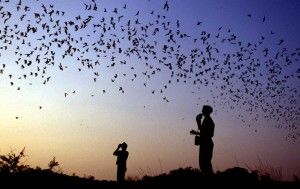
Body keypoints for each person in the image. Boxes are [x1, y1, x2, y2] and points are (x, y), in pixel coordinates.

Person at [190, 105, 215, 175]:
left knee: (205, 165)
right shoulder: (206, 120)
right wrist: (198, 122)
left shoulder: (209, 121)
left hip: (207, 144)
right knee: (204, 164)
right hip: (205, 144)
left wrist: (197, 122)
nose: (202, 111)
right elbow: (203, 131)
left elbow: (210, 134)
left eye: (203, 110)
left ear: (207, 111)